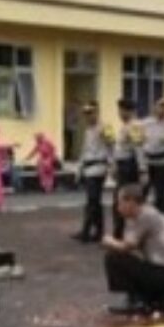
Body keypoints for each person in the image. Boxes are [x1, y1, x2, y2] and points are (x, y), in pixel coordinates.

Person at [101, 183, 164, 315]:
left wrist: (109, 241)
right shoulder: (139, 216)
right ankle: (148, 297)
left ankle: (136, 300)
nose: (118, 207)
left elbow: (127, 246)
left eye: (120, 203)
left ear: (131, 202)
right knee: (128, 260)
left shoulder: (145, 216)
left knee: (113, 258)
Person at [72, 102, 111, 243]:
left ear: (97, 112)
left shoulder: (105, 128)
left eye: (90, 113)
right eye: (86, 114)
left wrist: (112, 166)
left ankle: (87, 231)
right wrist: (79, 169)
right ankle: (97, 231)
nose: (88, 116)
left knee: (93, 201)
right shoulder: (88, 130)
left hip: (99, 167)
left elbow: (111, 147)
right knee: (93, 201)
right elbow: (84, 151)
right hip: (88, 168)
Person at [108, 98, 142, 238]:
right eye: (119, 110)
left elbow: (138, 149)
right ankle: (120, 233)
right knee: (120, 201)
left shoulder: (134, 126)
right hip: (123, 166)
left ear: (129, 111)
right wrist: (114, 165)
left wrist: (142, 170)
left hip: (129, 167)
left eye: (121, 110)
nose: (119, 113)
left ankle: (122, 234)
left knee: (124, 201)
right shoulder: (125, 126)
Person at [140, 96, 164, 213]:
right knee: (143, 190)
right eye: (160, 106)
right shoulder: (145, 123)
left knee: (160, 192)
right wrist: (141, 164)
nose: (163, 109)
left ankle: (159, 215)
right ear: (154, 107)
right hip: (148, 160)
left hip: (163, 161)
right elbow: (139, 143)